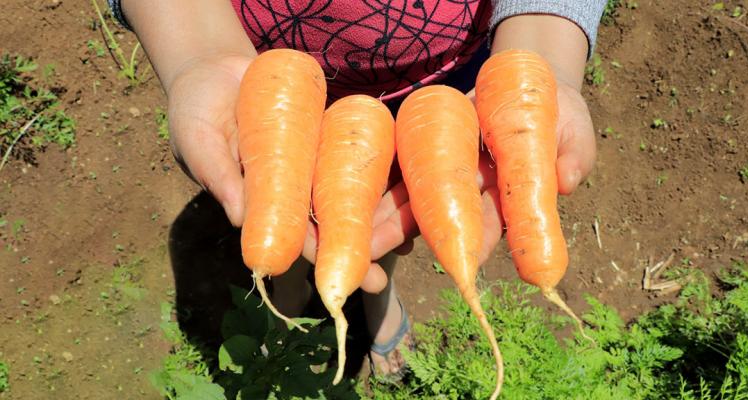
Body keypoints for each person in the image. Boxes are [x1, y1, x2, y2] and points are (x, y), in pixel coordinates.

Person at [109, 0, 605, 379]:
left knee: (392, 204)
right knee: (283, 193)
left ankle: (376, 296)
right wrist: (195, 46)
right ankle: (287, 286)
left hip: (448, 78)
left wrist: (543, 48)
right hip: (265, 73)